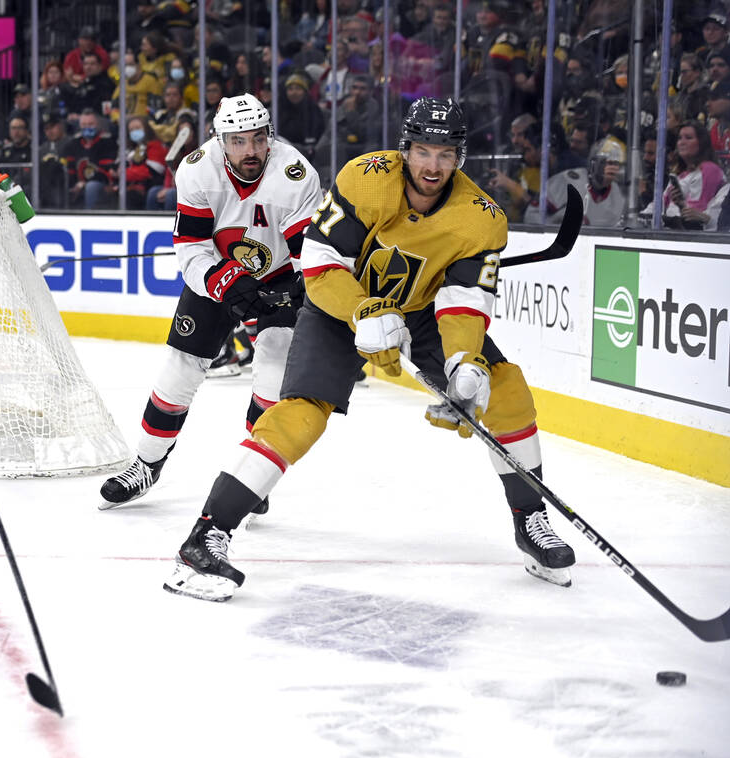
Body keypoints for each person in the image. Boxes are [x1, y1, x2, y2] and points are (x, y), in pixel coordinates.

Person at [162, 97, 575, 602]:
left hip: (421, 312)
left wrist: (463, 361)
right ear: (406, 149)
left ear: (460, 157)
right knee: (300, 415)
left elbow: (463, 299)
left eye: (445, 154)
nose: (433, 166)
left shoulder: (481, 218)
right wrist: (363, 311)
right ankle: (206, 536)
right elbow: (318, 260)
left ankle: (531, 521)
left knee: (505, 387)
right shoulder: (366, 177)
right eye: (423, 151)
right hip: (341, 301)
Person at [99, 93, 323, 511]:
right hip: (217, 275)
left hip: (277, 279)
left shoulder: (293, 173)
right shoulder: (197, 170)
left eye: (258, 138)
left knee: (274, 366)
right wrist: (223, 280)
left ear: (269, 136)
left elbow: (308, 250)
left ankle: (249, 476)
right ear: (220, 140)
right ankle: (146, 465)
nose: (250, 150)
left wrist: (300, 286)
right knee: (179, 367)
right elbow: (191, 247)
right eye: (238, 141)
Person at [526, 136, 626, 227]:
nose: (612, 168)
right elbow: (531, 215)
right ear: (592, 163)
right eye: (607, 162)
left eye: (616, 164)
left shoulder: (619, 196)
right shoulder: (566, 181)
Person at [661, 120, 727, 230]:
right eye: (680, 138)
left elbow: (695, 214)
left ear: (701, 143)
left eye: (688, 138)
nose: (682, 142)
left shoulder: (709, 169)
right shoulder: (680, 173)